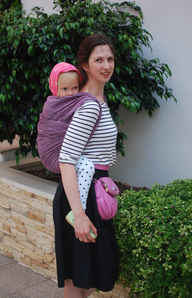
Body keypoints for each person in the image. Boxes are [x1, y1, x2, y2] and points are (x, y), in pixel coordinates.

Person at [53, 33, 118, 298]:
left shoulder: (99, 100)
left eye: (110, 59)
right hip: (81, 198)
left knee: (84, 277)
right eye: (99, 59)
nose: (106, 65)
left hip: (91, 192)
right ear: (85, 65)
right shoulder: (89, 106)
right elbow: (66, 158)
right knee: (79, 280)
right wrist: (79, 214)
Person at [39, 61, 96, 210]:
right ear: (55, 88)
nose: (70, 93)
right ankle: (79, 208)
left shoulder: (79, 101)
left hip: (67, 154)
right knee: (87, 166)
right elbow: (48, 130)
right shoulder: (52, 105)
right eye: (64, 89)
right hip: (53, 154)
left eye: (74, 88)